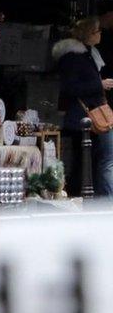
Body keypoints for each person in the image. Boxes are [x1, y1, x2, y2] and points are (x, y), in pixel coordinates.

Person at [53, 17, 113, 196]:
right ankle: (85, 196)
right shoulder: (73, 57)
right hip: (83, 116)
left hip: (91, 115)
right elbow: (70, 87)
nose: (100, 34)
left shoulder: (89, 53)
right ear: (88, 34)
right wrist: (99, 85)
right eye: (97, 31)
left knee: (93, 159)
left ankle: (91, 196)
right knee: (87, 160)